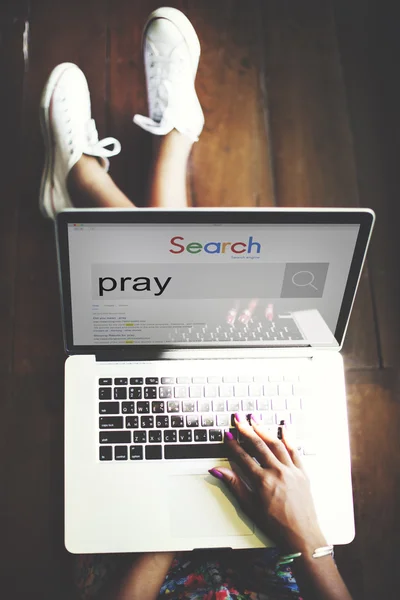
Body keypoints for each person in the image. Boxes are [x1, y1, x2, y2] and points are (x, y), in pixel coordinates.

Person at [40, 7, 353, 600]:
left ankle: (105, 173)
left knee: (161, 344)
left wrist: (172, 514)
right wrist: (310, 537)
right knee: (198, 336)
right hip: (281, 557)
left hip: (143, 568)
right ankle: (130, 165)